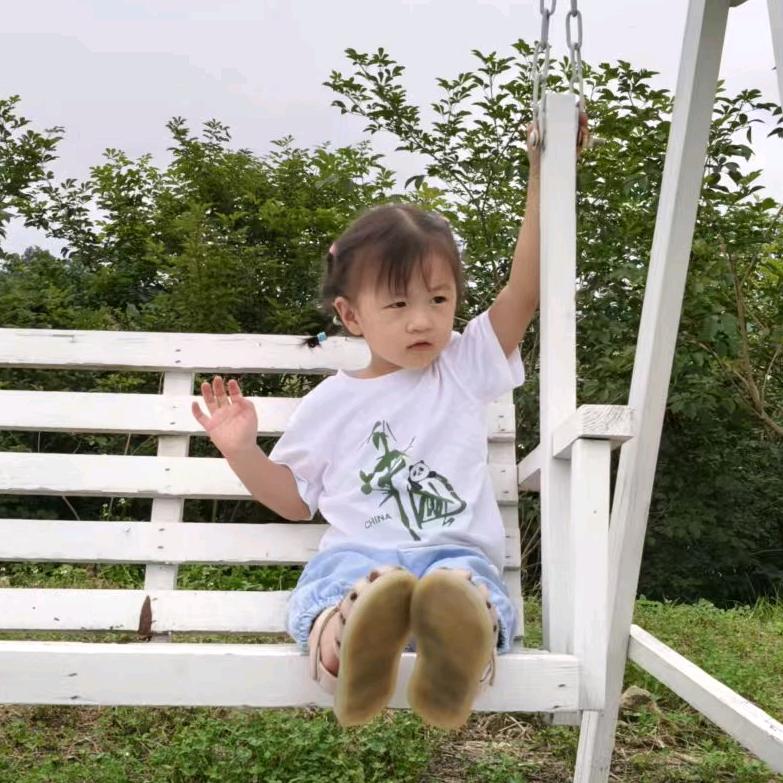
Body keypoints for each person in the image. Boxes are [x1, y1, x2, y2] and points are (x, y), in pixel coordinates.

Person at [192, 116, 588, 730]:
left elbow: (524, 291)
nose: (422, 321)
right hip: (360, 560)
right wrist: (242, 450)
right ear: (351, 315)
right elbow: (297, 503)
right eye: (398, 304)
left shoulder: (461, 367)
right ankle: (349, 648)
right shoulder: (331, 402)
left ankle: (456, 651)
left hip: (452, 559)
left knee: (468, 590)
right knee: (340, 590)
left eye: (439, 299)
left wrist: (545, 171)